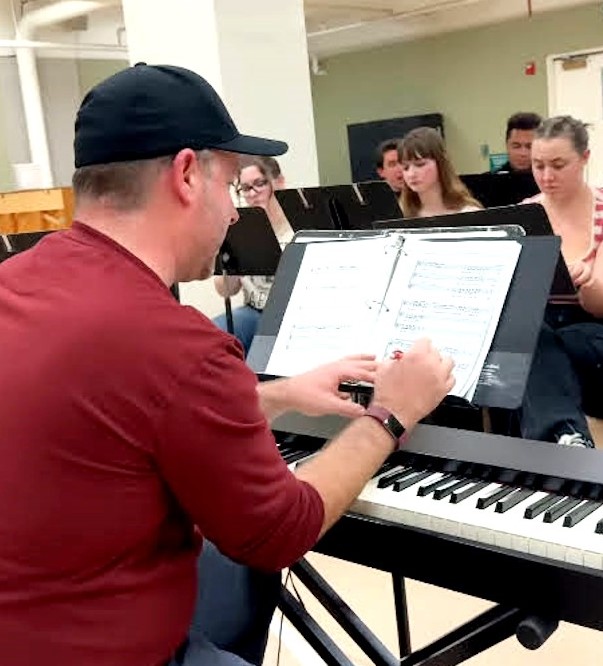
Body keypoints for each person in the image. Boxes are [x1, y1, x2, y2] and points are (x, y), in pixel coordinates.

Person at [0, 63, 455, 666]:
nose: (236, 212)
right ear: (188, 174)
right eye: (232, 186)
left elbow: (118, 412)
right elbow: (279, 532)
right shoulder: (170, 337)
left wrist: (279, 393)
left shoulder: (17, 280)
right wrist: (391, 416)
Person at [519, 115, 603, 447]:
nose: (546, 176)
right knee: (532, 335)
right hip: (541, 328)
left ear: (584, 158)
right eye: (538, 165)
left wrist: (584, 282)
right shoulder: (526, 213)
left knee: (537, 346)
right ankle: (567, 437)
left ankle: (561, 435)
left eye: (558, 165)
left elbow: (598, 306)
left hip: (593, 327)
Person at [213, 155, 292, 355]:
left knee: (262, 358)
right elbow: (225, 290)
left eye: (259, 184)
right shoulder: (241, 227)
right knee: (213, 338)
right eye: (246, 188)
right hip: (253, 311)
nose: (253, 193)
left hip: (288, 314)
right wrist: (231, 254)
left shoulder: (295, 227)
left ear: (279, 182)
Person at [397, 127, 482, 218]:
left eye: (420, 164)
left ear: (440, 163)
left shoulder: (470, 213)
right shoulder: (398, 216)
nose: (411, 174)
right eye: (405, 168)